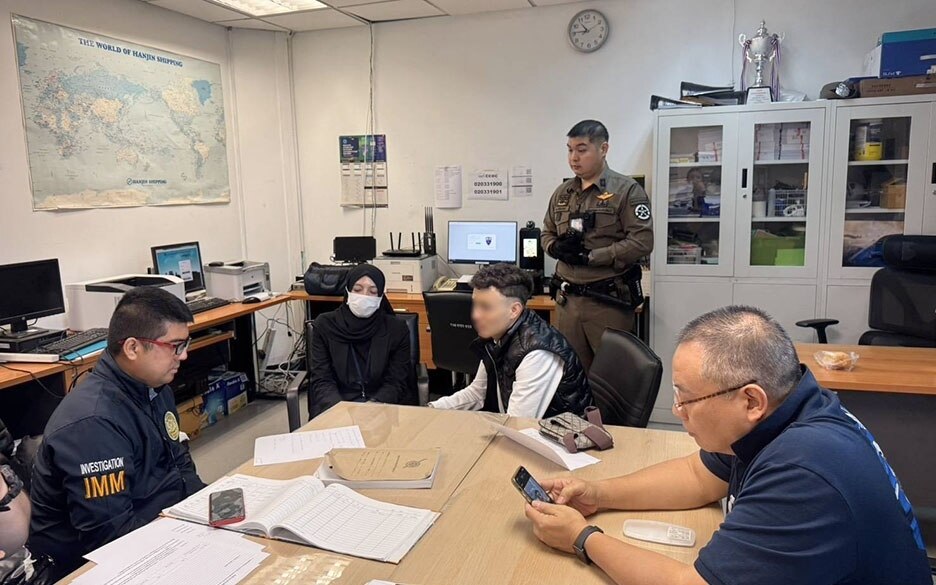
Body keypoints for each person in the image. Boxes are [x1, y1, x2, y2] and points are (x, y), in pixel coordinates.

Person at [523, 306, 931, 584]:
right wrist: (598, 494)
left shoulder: (805, 470)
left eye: (687, 398)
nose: (676, 409)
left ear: (750, 400)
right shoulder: (790, 406)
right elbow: (697, 475)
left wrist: (582, 538)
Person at [29, 287, 206, 580]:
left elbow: (181, 466)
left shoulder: (153, 386)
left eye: (185, 343)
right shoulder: (93, 423)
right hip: (103, 565)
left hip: (164, 528)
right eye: (175, 345)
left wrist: (210, 511)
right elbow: (112, 539)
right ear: (133, 348)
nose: (184, 355)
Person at [542, 120, 653, 372]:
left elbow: (642, 241)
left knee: (611, 377)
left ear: (603, 149)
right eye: (569, 150)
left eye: (582, 150)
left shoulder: (627, 191)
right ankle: (578, 415)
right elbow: (546, 232)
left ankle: (609, 415)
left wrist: (592, 257)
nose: (573, 157)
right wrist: (555, 249)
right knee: (571, 375)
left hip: (606, 303)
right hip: (567, 302)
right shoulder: (562, 193)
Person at [430, 263, 592, 419]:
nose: (475, 315)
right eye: (475, 305)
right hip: (523, 431)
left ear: (514, 310)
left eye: (486, 307)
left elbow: (516, 422)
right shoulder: (497, 335)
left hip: (562, 440)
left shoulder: (537, 353)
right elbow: (478, 393)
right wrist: (431, 408)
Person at [308, 264, 412, 419]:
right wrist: (339, 412)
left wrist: (374, 406)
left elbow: (396, 381)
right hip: (335, 406)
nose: (364, 296)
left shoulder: (396, 329)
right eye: (357, 290)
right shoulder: (324, 325)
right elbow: (322, 379)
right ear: (348, 291)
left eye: (372, 291)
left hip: (382, 407)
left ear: (380, 297)